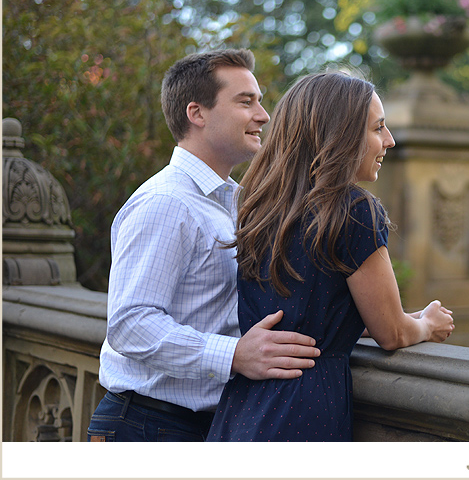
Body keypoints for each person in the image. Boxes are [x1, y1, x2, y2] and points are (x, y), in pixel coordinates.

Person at [206, 71, 455, 442]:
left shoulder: (260, 207)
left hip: (243, 407)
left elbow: (310, 311)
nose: (389, 141)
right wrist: (427, 325)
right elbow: (392, 334)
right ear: (340, 135)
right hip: (304, 409)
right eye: (378, 129)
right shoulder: (353, 209)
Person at [87, 49, 321, 442]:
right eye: (246, 102)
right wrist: (233, 356)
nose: (263, 115)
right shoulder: (166, 202)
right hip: (146, 429)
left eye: (260, 102)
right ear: (197, 114)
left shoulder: (236, 202)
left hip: (204, 425)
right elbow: (130, 324)